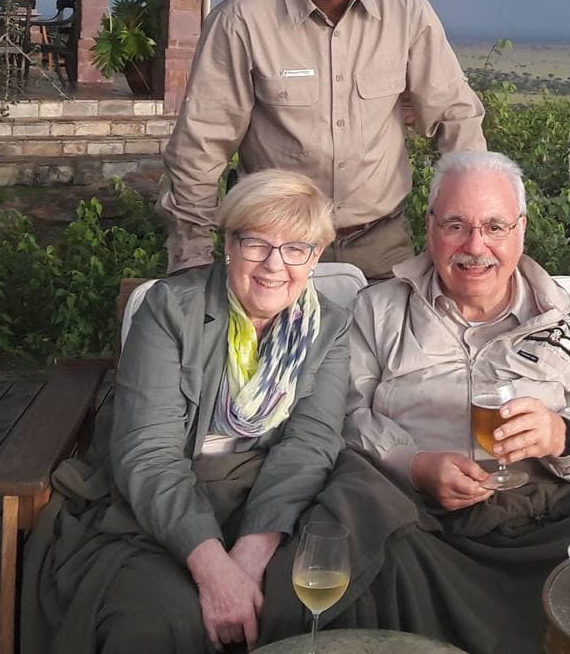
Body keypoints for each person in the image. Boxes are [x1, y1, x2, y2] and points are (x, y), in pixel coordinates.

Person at [265, 150, 570, 653]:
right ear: (430, 227)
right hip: (421, 523)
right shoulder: (377, 312)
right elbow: (343, 417)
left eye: (494, 227)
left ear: (521, 230)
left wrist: (561, 435)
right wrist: (414, 464)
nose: (475, 246)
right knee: (360, 529)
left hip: (543, 517)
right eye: (456, 225)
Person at [19, 170, 353, 654]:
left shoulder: (330, 327)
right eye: (256, 243)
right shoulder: (170, 310)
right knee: (161, 619)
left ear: (316, 256)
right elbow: (147, 451)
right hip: (155, 501)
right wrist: (214, 568)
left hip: (270, 498)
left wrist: (252, 550)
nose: (274, 265)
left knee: (310, 599)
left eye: (296, 248)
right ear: (229, 244)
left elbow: (310, 443)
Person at [160, 0, 485, 280]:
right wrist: (192, 257)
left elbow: (455, 117)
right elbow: (200, 146)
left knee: (386, 327)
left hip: (381, 246)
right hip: (273, 248)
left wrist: (475, 226)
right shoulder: (242, 20)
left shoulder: (406, 12)